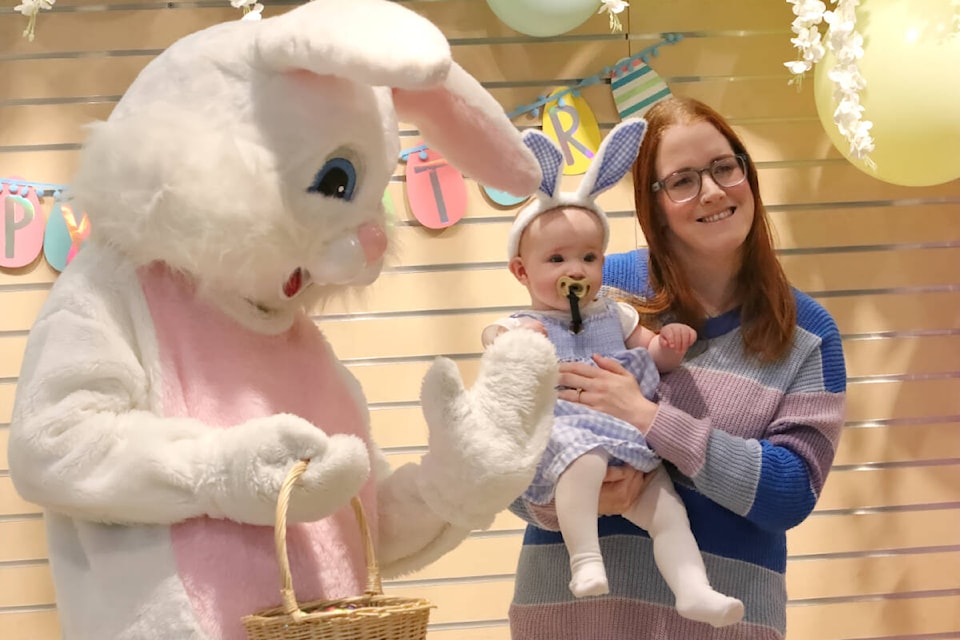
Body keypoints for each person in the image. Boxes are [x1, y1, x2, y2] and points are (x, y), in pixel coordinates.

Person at [508, 96, 847, 640]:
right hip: (574, 616)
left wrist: (649, 417)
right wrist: (560, 504)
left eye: (724, 166)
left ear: (748, 174)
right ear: (653, 202)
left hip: (725, 624)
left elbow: (790, 494)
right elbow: (504, 445)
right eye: (683, 179)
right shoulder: (596, 287)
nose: (712, 191)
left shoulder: (806, 330)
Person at [484, 119, 744, 628]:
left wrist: (670, 345)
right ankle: (584, 561)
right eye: (556, 258)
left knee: (668, 509)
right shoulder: (522, 323)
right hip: (568, 444)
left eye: (588, 257)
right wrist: (517, 346)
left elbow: (651, 354)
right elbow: (495, 354)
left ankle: (693, 589)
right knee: (582, 464)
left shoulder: (614, 313)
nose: (575, 270)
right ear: (521, 272)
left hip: (629, 441)